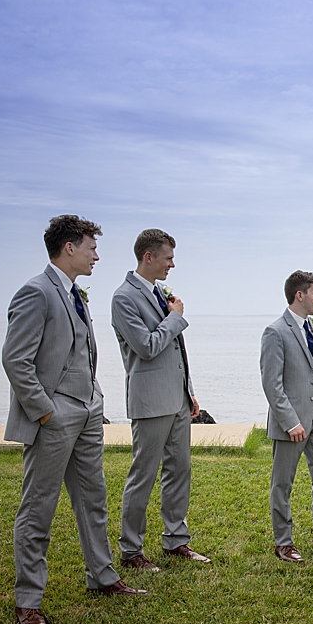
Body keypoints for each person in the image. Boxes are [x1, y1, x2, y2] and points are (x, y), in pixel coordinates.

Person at [2, 215, 146, 624]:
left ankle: (101, 576)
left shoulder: (73, 292)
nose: (96, 255)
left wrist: (93, 398)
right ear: (69, 248)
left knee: (93, 498)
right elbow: (16, 361)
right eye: (91, 247)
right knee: (38, 509)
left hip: (86, 413)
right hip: (55, 417)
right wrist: (46, 411)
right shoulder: (36, 292)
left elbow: (80, 352)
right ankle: (29, 602)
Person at [111, 228, 210, 572]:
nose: (172, 264)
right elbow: (148, 347)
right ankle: (131, 549)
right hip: (150, 402)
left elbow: (176, 351)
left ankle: (175, 540)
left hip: (178, 400)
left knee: (179, 471)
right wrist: (176, 318)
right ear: (148, 257)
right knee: (144, 475)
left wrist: (190, 391)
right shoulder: (124, 298)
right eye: (168, 257)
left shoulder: (159, 293)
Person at [260, 270, 313, 563]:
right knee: (282, 484)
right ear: (300, 295)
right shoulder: (275, 332)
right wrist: (291, 422)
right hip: (291, 425)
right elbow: (272, 384)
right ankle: (284, 543)